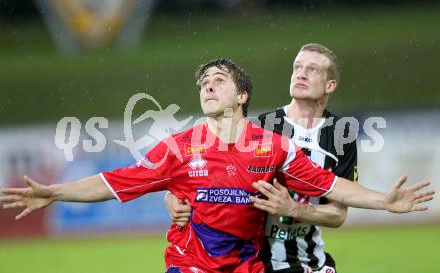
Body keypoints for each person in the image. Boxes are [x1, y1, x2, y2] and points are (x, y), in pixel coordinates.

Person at [0, 58, 434, 273]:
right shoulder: (179, 148)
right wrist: (54, 192)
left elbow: (331, 186)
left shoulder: (274, 149)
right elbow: (113, 183)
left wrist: (383, 200)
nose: (208, 85)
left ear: (242, 95)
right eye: (203, 83)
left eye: (218, 80)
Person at [165, 44, 357, 273]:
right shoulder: (262, 127)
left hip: (312, 262)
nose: (301, 74)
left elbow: (338, 215)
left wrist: (294, 209)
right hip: (259, 263)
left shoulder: (341, 135)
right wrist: (171, 200)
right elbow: (206, 176)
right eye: (297, 67)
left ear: (330, 85)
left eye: (313, 69)